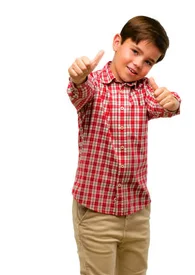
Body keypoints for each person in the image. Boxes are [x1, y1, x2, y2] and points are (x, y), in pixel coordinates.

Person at [67, 15, 181, 275]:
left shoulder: (144, 91)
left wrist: (173, 102)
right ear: (117, 42)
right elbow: (78, 92)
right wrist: (77, 78)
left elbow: (165, 103)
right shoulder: (92, 85)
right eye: (135, 51)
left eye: (148, 61)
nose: (138, 64)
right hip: (97, 211)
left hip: (137, 211)